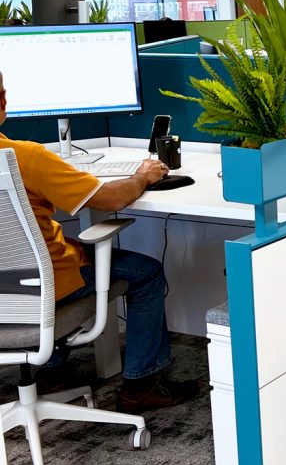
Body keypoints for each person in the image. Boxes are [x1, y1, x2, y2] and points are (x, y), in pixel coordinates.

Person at [0, 70, 198, 414]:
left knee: (72, 244)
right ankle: (142, 385)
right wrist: (141, 176)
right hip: (46, 287)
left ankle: (52, 374)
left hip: (6, 295)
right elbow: (110, 199)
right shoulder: (25, 157)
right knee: (147, 273)